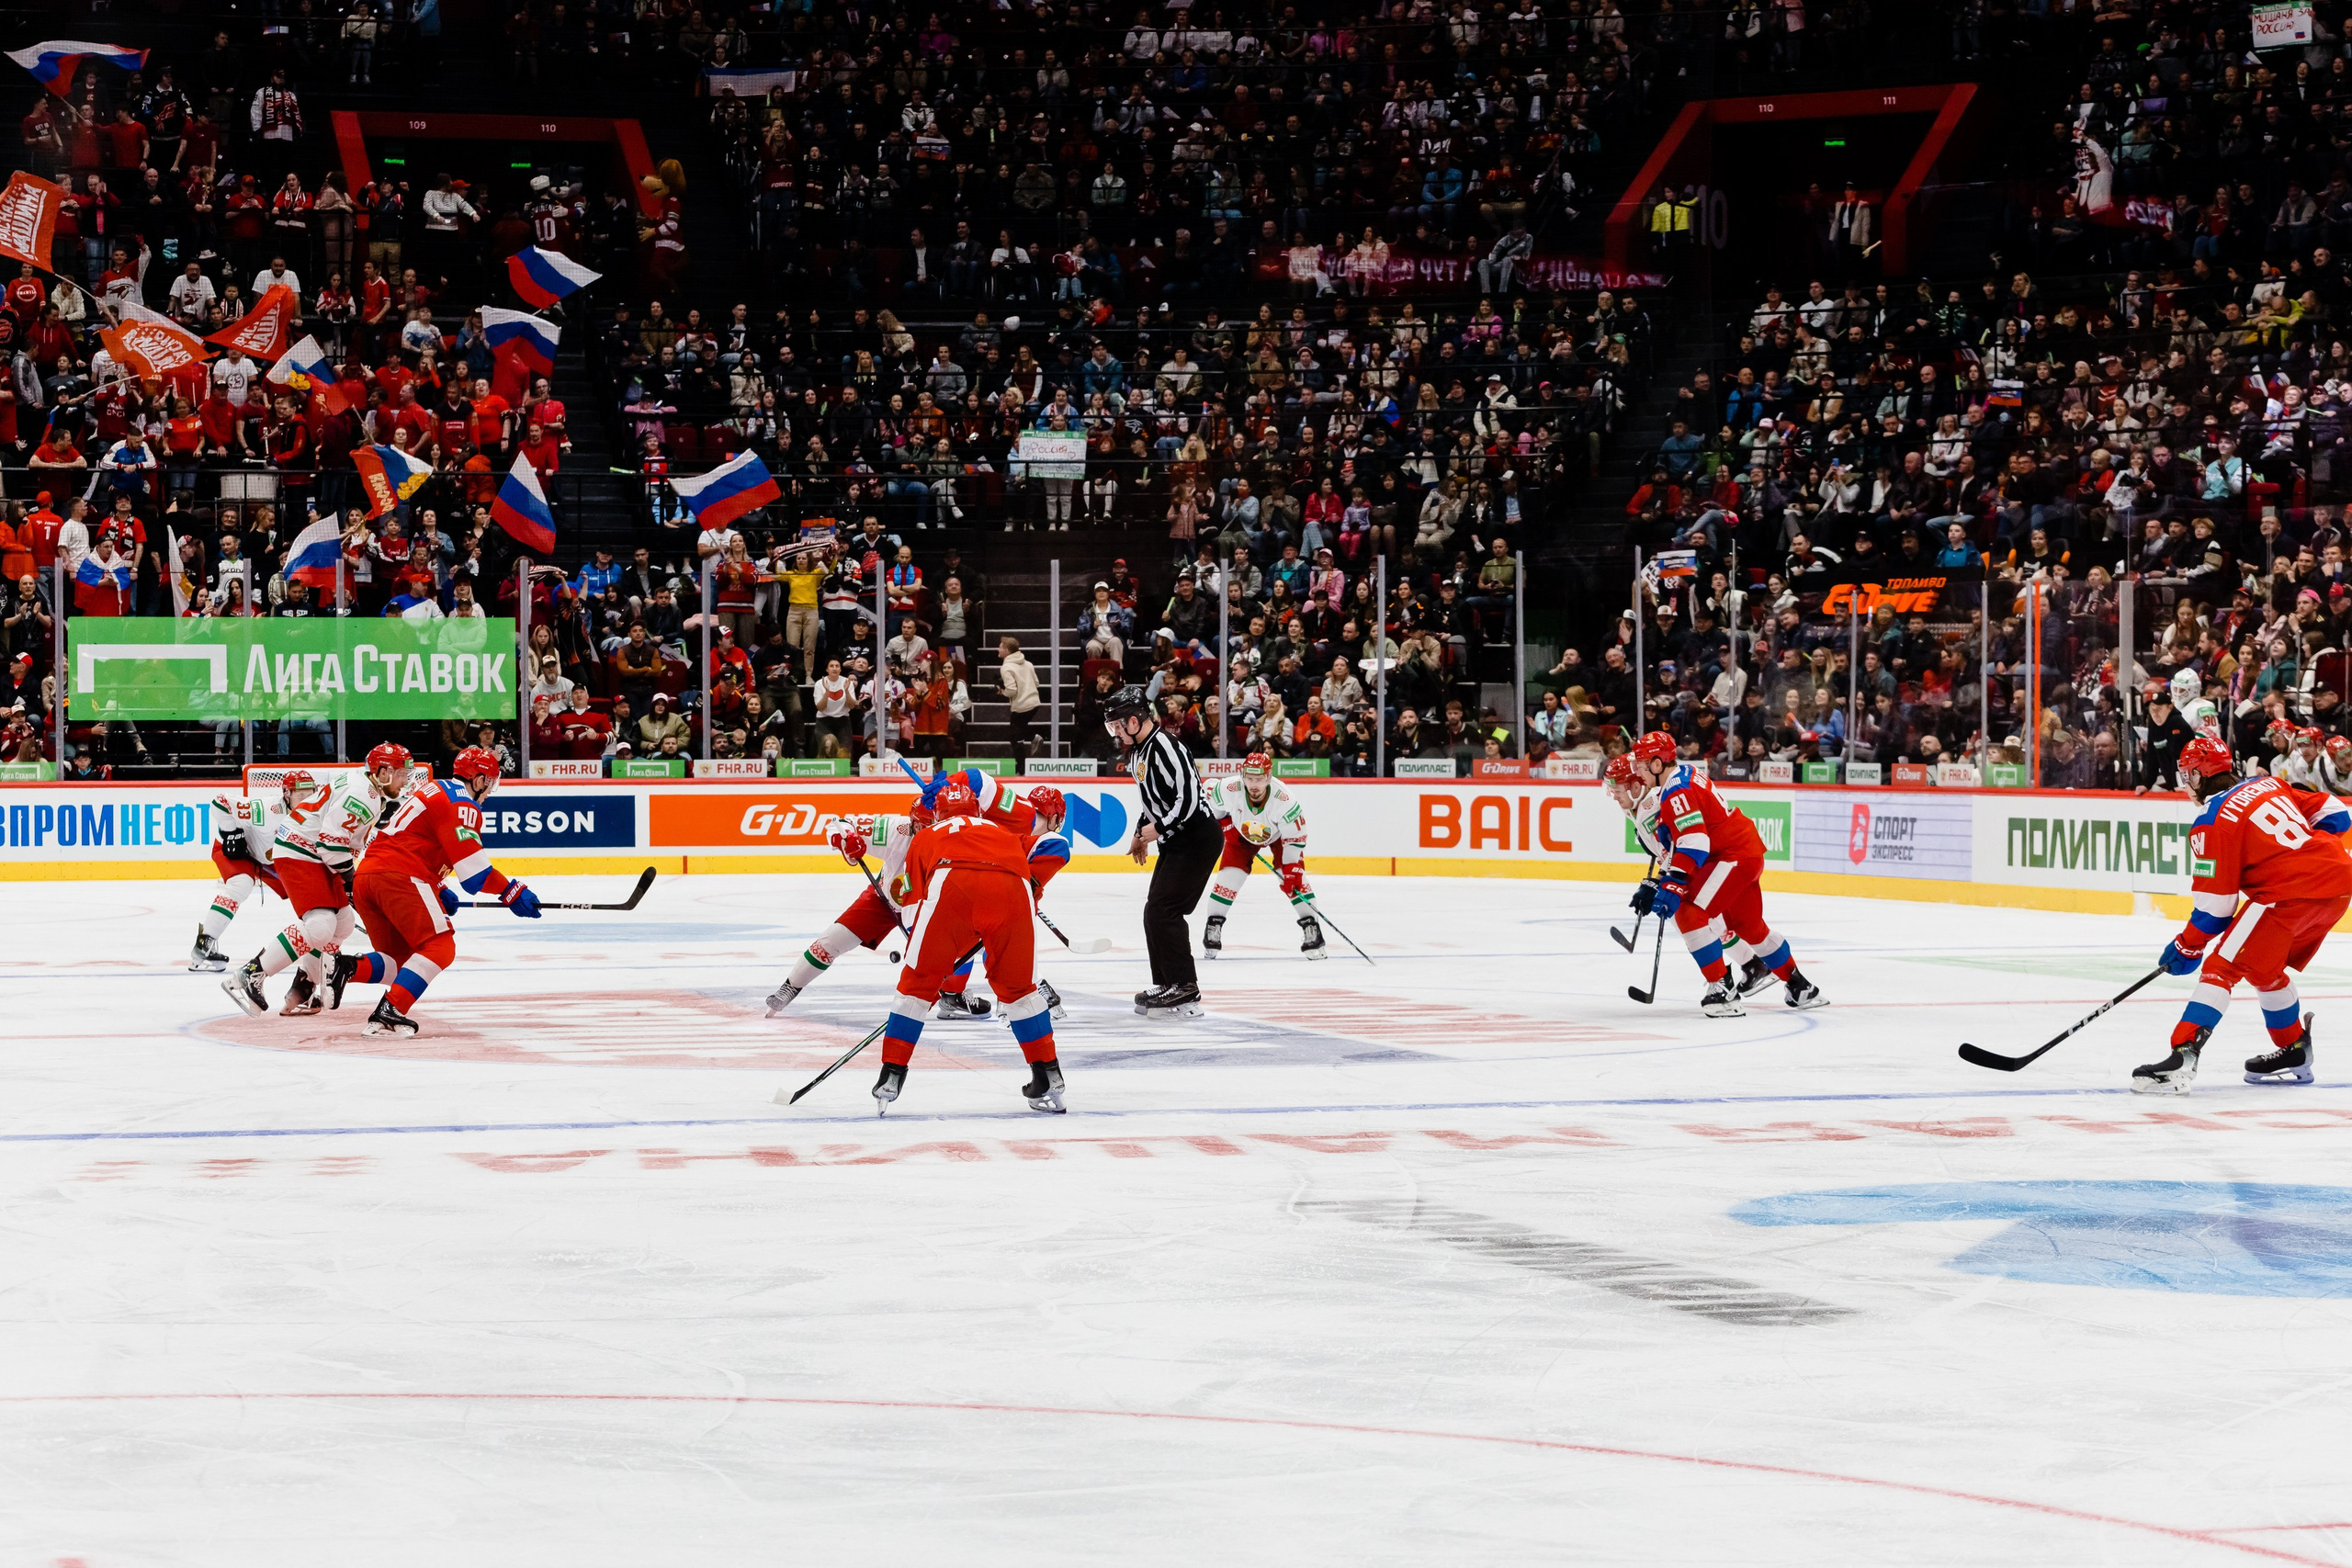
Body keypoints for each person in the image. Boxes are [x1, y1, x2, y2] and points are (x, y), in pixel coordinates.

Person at [2137, 737, 2352, 1094]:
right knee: (2262, 966)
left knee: (2221, 967)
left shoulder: (2210, 821)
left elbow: (2216, 907)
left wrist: (2187, 946)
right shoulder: (2268, 784)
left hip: (2287, 894)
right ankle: (2293, 1047)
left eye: (2187, 775)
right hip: (2340, 883)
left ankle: (2183, 1055)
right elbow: (2336, 812)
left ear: (2198, 776)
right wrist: (2312, 853)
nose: (2185, 783)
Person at [765, 771, 1066, 1021]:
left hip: (932, 906)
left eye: (930, 825)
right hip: (885, 901)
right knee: (831, 941)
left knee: (968, 938)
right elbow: (839, 823)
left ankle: (958, 994)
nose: (923, 830)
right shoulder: (897, 830)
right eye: (919, 826)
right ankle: (790, 987)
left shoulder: (962, 838)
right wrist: (846, 838)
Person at [870, 775, 1069, 1114]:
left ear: (937, 814)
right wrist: (1026, 890)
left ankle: (892, 1074)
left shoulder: (927, 835)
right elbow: (1046, 854)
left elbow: (916, 905)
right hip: (1013, 892)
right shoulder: (1003, 832)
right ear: (977, 810)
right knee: (1020, 992)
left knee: (916, 985)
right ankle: (1048, 1074)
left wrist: (930, 960)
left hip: (954, 883)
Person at [332, 745, 541, 1036]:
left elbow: (416, 839)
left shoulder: (434, 789)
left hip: (368, 877)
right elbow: (475, 876)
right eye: (490, 783)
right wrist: (512, 891)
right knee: (440, 947)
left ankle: (345, 968)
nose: (489, 792)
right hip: (399, 877)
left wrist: (439, 886)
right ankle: (390, 1012)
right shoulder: (462, 803)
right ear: (479, 779)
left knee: (402, 961)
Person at [1627, 728, 1826, 1016]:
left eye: (1642, 765)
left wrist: (1673, 884)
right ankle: (1800, 987)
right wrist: (1661, 880)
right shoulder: (1683, 775)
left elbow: (1695, 843)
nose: (1639, 773)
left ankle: (1722, 990)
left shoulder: (1675, 791)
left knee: (1688, 911)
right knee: (1749, 926)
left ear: (1658, 764)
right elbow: (1688, 838)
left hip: (1730, 857)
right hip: (1743, 853)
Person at [221, 745, 409, 1017]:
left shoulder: (368, 787)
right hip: (300, 850)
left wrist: (350, 879)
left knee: (343, 923)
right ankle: (250, 974)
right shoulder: (362, 794)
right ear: (383, 772)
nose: (406, 781)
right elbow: (330, 844)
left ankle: (304, 988)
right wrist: (350, 881)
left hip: (314, 851)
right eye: (402, 774)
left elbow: (339, 841)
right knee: (320, 925)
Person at [1606, 753, 1771, 997]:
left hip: (1701, 863)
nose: (1614, 795)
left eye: (1617, 789)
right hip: (1693, 863)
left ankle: (1731, 975)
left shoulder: (1653, 806)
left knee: (1693, 918)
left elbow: (1679, 846)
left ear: (1635, 786)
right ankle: (1749, 965)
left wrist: (1660, 881)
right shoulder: (1637, 805)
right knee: (1696, 920)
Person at [1105, 684, 1219, 1016]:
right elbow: (1152, 801)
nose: (1115, 732)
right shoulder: (1138, 752)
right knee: (1154, 911)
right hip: (1177, 839)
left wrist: (1158, 829)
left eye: (1117, 725)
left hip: (1197, 839)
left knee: (1164, 910)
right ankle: (1168, 983)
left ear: (1134, 721)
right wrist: (1140, 833)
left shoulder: (1168, 747)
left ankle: (1185, 988)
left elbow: (1190, 800)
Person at [1202, 751, 1324, 959]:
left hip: (1279, 837)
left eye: (1259, 779)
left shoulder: (1284, 800)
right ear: (1243, 776)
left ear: (1268, 777)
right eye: (1250, 778)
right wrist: (1224, 823)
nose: (1254, 785)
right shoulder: (1230, 788)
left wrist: (1291, 869)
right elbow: (1208, 796)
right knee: (1229, 877)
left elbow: (1294, 839)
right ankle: (1213, 926)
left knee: (1293, 877)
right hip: (1241, 834)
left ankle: (1312, 929)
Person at [189, 769, 304, 969]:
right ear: (287, 793)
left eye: (310, 794)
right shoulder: (267, 809)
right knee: (241, 884)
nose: (307, 800)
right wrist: (230, 831)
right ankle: (205, 941)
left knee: (304, 891)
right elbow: (220, 801)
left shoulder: (315, 813)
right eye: (301, 795)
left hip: (268, 858)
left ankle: (321, 944)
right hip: (239, 852)